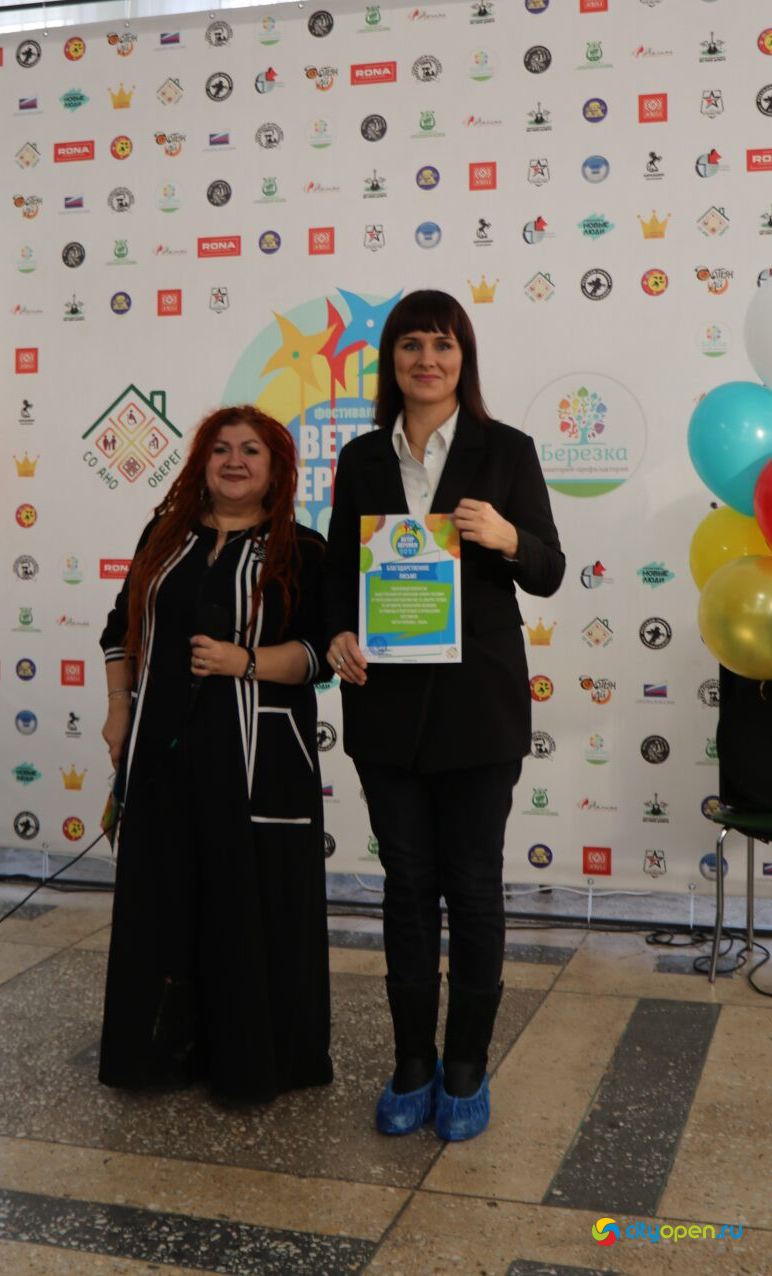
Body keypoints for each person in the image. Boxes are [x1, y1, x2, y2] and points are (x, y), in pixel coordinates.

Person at [323, 289, 564, 1141]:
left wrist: (506, 536)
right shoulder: (360, 457)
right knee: (407, 887)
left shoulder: (508, 450)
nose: (427, 360)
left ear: (465, 358)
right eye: (411, 345)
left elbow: (549, 570)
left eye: (443, 344)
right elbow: (336, 575)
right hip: (386, 708)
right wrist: (337, 633)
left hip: (478, 709)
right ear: (389, 361)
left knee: (473, 884)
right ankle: (412, 1064)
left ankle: (465, 1064)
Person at [98, 405, 333, 1104]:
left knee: (246, 903)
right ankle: (159, 1055)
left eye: (251, 450)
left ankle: (250, 1063)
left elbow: (320, 655)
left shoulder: (303, 549)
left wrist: (245, 661)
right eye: (221, 449)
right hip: (160, 750)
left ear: (277, 468)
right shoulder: (163, 537)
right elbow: (120, 628)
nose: (235, 461)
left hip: (257, 759)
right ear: (201, 463)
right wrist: (119, 710)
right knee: (162, 896)